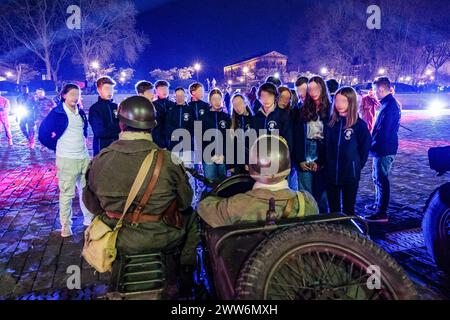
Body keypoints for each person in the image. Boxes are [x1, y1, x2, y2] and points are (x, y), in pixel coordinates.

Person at [82, 95, 198, 298]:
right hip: (162, 236)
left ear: (121, 125)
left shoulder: (100, 160)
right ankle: (187, 270)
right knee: (192, 217)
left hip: (117, 239)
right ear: (152, 126)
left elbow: (92, 206)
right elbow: (185, 201)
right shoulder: (169, 159)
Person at [197, 134, 319, 227]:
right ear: (287, 166)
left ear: (250, 167)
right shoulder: (307, 202)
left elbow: (203, 207)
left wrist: (209, 192)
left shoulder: (236, 205)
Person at [38, 83, 93, 237]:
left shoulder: (80, 112)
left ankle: (88, 220)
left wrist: (84, 140)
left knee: (86, 191)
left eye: (78, 94)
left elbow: (84, 129)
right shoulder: (57, 113)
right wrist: (56, 146)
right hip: (67, 159)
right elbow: (42, 134)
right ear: (64, 96)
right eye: (72, 94)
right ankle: (65, 226)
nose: (76, 97)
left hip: (83, 157)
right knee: (67, 194)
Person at [319, 87, 371, 215]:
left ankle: (349, 233)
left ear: (351, 102)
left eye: (343, 101)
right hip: (331, 173)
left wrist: (355, 166)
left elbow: (364, 151)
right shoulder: (329, 123)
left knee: (349, 209)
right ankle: (335, 233)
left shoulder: (359, 125)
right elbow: (324, 146)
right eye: (337, 101)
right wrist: (323, 163)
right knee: (334, 210)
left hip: (350, 174)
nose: (339, 104)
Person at [363, 77, 401, 223]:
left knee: (381, 179)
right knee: (377, 177)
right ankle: (378, 205)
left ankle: (382, 212)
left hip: (384, 148)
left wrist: (373, 145)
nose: (373, 93)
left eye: (374, 89)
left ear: (381, 89)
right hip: (382, 147)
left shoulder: (389, 106)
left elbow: (383, 131)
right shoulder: (388, 104)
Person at [292, 76, 331, 213]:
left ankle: (323, 224)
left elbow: (330, 140)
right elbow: (296, 137)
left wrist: (321, 161)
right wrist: (299, 159)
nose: (313, 91)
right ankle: (308, 223)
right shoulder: (301, 110)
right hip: (305, 154)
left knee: (322, 195)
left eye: (316, 88)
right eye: (310, 88)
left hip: (322, 157)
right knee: (306, 194)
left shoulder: (330, 110)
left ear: (322, 88)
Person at [199, 88, 230, 181]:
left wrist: (224, 155)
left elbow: (229, 139)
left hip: (222, 158)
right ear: (210, 101)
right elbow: (199, 139)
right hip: (209, 158)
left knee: (223, 185)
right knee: (210, 185)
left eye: (219, 99)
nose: (217, 101)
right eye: (214, 99)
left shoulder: (226, 117)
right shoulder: (203, 118)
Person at [253, 82, 292, 149]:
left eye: (270, 95)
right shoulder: (256, 117)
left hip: (278, 156)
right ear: (259, 98)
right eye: (263, 96)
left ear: (275, 97)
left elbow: (289, 142)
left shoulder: (283, 115)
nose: (266, 99)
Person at [88, 76, 120, 156]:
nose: (110, 92)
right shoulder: (95, 108)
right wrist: (117, 131)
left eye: (111, 89)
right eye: (107, 89)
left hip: (117, 148)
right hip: (102, 149)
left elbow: (122, 125)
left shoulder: (115, 106)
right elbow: (99, 132)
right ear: (99, 90)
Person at [230, 93, 254, 174]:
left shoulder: (254, 120)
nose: (237, 107)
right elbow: (230, 145)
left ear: (245, 103)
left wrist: (248, 162)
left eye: (239, 103)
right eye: (235, 105)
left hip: (251, 163)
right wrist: (230, 165)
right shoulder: (232, 122)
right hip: (237, 164)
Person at [153, 80, 176, 148]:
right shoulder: (153, 105)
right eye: (161, 89)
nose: (165, 91)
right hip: (157, 140)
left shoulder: (173, 104)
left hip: (171, 140)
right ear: (156, 91)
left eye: (166, 89)